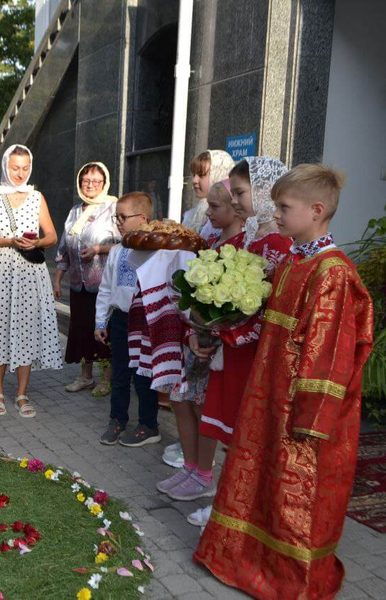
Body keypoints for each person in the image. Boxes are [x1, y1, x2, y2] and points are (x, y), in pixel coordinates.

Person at [195, 164, 374, 599]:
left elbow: (329, 351)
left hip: (301, 409)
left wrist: (311, 417)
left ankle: (290, 578)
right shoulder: (296, 260)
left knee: (295, 495)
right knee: (259, 479)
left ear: (316, 210)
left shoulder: (331, 272)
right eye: (275, 205)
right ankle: (245, 559)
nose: (274, 214)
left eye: (283, 207)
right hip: (269, 394)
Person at [156, 181, 244, 501]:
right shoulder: (209, 239)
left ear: (237, 209)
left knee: (202, 405)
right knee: (180, 400)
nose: (208, 213)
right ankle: (190, 466)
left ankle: (204, 473)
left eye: (215, 207)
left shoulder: (244, 247)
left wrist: (211, 329)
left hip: (216, 344)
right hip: (193, 334)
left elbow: (238, 304)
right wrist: (192, 326)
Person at [0, 144, 62, 418]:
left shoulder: (37, 197)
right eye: (15, 168)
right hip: (0, 271)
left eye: (25, 168)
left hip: (28, 272)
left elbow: (52, 236)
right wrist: (9, 241)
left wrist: (34, 241)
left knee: (26, 329)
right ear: (5, 167)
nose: (20, 173)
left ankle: (22, 393)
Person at [163, 149, 235, 467]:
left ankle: (202, 465)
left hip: (209, 325)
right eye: (194, 173)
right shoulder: (195, 215)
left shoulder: (226, 225)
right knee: (183, 396)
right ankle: (190, 455)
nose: (194, 179)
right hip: (190, 319)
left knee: (199, 399)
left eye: (202, 173)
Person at [94, 192, 155, 444]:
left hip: (145, 322)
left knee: (144, 375)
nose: (118, 222)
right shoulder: (118, 250)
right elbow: (106, 288)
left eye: (123, 217)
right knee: (120, 373)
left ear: (142, 218)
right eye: (116, 217)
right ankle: (117, 420)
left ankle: (149, 425)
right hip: (120, 319)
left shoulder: (158, 250)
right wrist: (100, 320)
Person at [54, 162, 118, 396]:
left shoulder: (112, 207)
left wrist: (99, 249)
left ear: (104, 183)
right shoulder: (75, 211)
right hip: (78, 284)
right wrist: (57, 278)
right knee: (81, 330)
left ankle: (107, 379)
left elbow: (123, 243)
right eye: (86, 181)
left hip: (103, 285)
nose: (90, 185)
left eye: (96, 181)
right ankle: (86, 377)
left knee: (102, 331)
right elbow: (64, 246)